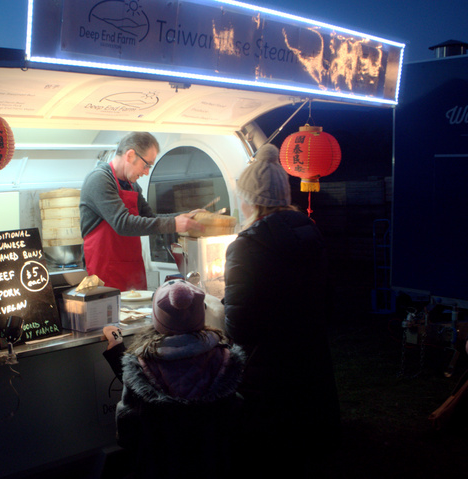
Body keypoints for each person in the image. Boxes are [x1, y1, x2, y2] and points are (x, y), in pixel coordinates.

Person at [223, 144, 340, 477]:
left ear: (251, 199)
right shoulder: (308, 231)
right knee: (302, 452)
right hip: (310, 363)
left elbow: (239, 327)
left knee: (270, 458)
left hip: (267, 376)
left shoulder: (246, 246)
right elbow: (327, 298)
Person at [114, 280, 245, 478]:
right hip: (213, 461)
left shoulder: (141, 363)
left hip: (160, 463)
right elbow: (235, 410)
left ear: (157, 317)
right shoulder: (224, 356)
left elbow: (128, 420)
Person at [79, 132, 202, 292]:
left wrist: (183, 217)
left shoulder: (132, 185)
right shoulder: (99, 180)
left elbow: (149, 218)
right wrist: (174, 224)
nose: (146, 172)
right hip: (104, 275)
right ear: (130, 155)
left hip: (132, 271)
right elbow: (123, 224)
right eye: (146, 165)